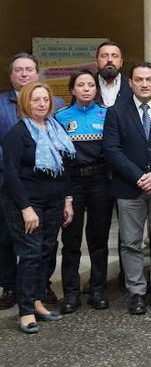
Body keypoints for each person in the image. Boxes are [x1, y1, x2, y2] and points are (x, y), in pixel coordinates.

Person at [102, 62, 151, 315]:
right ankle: (136, 291)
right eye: (139, 79)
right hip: (129, 188)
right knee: (130, 243)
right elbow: (111, 149)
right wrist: (139, 177)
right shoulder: (116, 112)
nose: (145, 84)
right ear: (130, 83)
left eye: (149, 79)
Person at [3, 82, 74, 334]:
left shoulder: (56, 129)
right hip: (26, 204)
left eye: (46, 99)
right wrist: (25, 208)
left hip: (54, 202)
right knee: (31, 255)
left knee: (46, 252)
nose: (42, 104)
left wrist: (67, 200)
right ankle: (25, 311)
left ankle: (37, 301)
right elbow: (10, 174)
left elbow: (65, 169)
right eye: (36, 100)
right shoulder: (18, 133)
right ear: (25, 103)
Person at [54, 70, 111, 312]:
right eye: (81, 85)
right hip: (72, 183)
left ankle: (97, 289)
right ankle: (71, 294)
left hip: (100, 182)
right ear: (72, 89)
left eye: (90, 85)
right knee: (71, 240)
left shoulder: (107, 115)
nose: (86, 88)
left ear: (96, 89)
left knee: (98, 239)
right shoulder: (60, 117)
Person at [95, 41, 131, 107]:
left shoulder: (132, 85)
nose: (109, 60)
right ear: (96, 62)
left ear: (121, 62)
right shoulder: (87, 84)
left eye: (115, 56)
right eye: (104, 56)